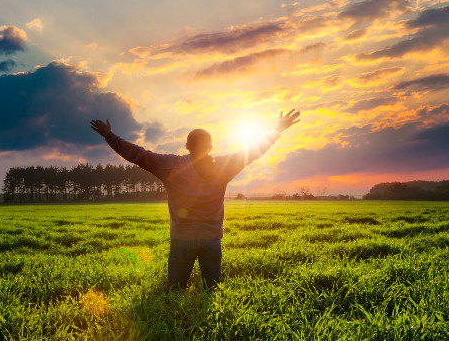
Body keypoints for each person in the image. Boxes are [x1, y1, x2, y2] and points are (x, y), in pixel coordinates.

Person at [90, 109, 300, 291]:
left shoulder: (171, 165)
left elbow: (138, 154)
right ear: (210, 146)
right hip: (212, 239)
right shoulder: (224, 165)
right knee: (211, 293)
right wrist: (277, 130)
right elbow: (253, 151)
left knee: (175, 291)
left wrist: (109, 136)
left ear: (186, 145)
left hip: (182, 239)